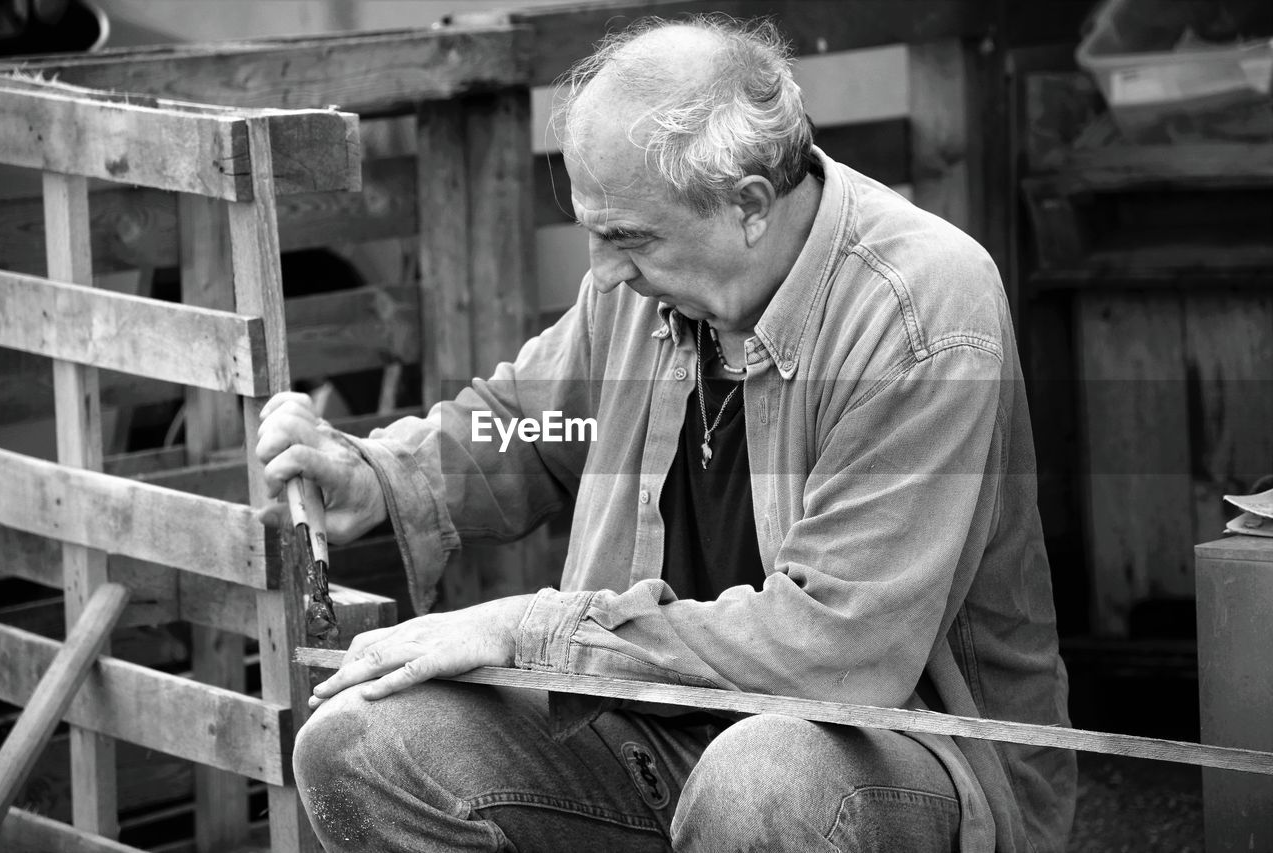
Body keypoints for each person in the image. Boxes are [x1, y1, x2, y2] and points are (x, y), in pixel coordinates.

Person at [257, 15, 1076, 853]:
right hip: (656, 728)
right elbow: (538, 425)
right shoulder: (641, 285)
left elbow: (836, 648)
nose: (601, 269)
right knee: (357, 743)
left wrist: (528, 629)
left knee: (762, 779)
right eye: (591, 228)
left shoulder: (923, 312)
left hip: (895, 752)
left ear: (749, 206)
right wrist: (380, 475)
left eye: (627, 237)